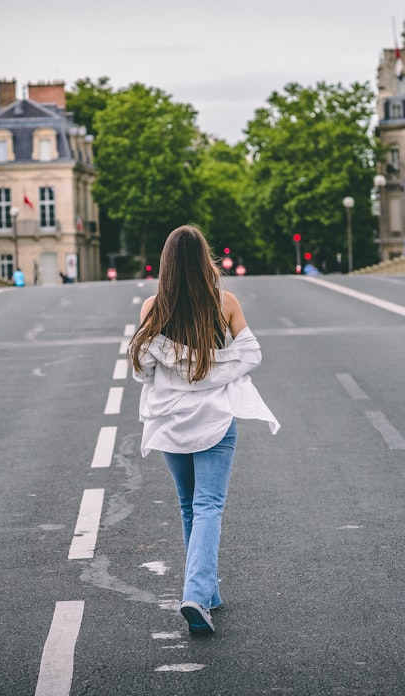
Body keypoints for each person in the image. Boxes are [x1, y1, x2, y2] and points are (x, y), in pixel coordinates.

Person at [129, 224, 280, 635]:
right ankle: (196, 593)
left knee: (188, 504)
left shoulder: (152, 308)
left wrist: (174, 361)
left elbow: (143, 370)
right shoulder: (224, 303)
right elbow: (251, 353)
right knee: (209, 504)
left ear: (167, 265)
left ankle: (206, 593)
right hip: (215, 418)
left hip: (171, 421)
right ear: (204, 260)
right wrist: (210, 369)